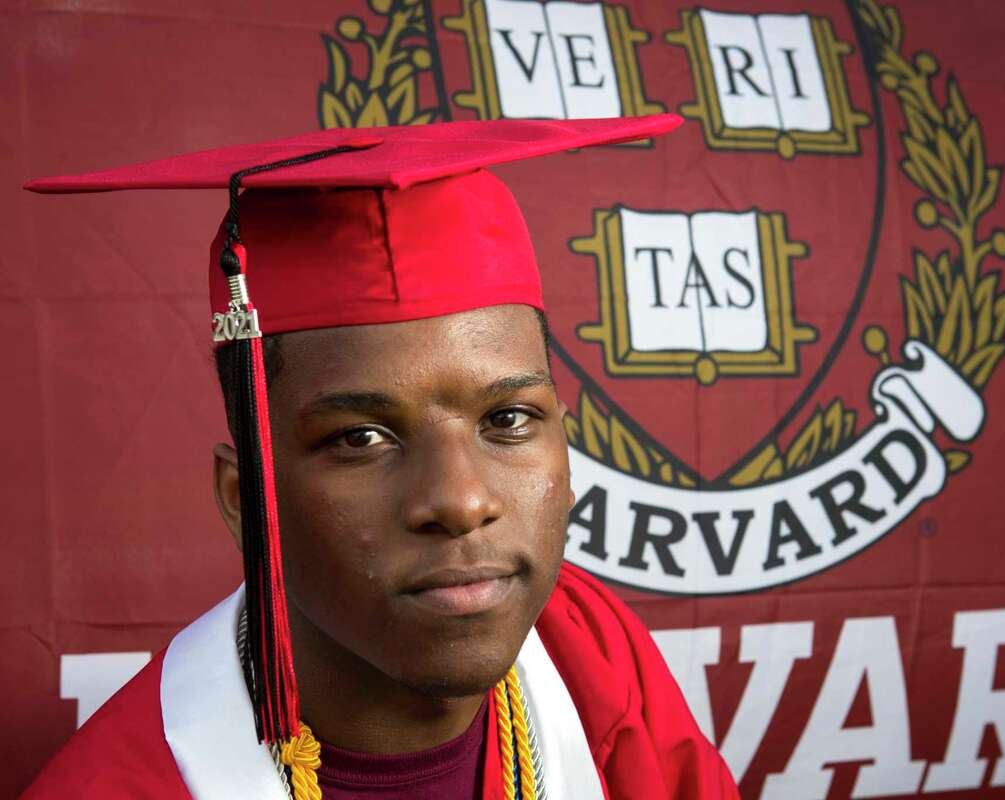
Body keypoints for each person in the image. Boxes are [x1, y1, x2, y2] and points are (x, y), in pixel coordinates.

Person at [21, 116, 740, 799]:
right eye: (360, 438)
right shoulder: (130, 782)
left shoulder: (588, 647)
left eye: (509, 419)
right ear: (247, 499)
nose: (461, 501)